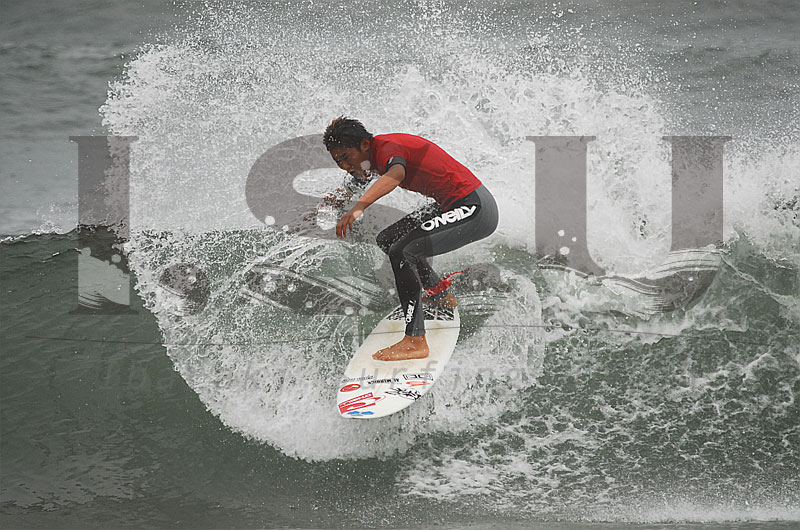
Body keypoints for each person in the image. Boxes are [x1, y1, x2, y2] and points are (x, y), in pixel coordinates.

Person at [322, 117, 498, 361]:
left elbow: (396, 174)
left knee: (403, 251)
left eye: (345, 157)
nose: (344, 166)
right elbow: (358, 179)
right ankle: (439, 296)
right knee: (388, 239)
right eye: (338, 161)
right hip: (449, 205)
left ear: (364, 145)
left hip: (474, 207)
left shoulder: (388, 149)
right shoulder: (368, 159)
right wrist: (333, 202)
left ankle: (415, 341)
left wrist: (359, 207)